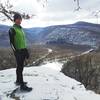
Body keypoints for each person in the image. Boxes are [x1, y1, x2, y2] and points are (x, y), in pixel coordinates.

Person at [9, 13, 32, 92]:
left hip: (23, 50)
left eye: (20, 19)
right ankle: (22, 85)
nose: (19, 20)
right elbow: (11, 43)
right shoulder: (12, 29)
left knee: (20, 67)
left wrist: (26, 51)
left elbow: (23, 41)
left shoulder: (21, 29)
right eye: (18, 19)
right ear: (15, 20)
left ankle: (18, 81)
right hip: (18, 52)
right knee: (20, 67)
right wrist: (16, 52)